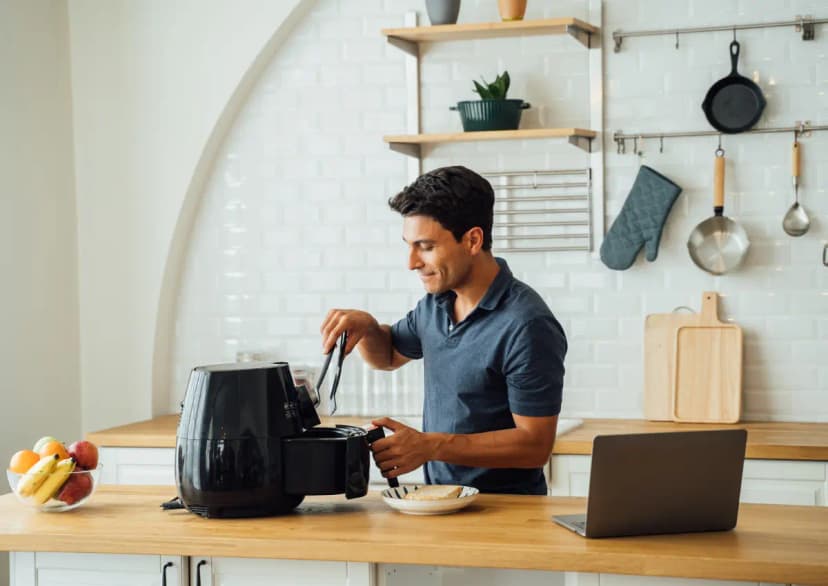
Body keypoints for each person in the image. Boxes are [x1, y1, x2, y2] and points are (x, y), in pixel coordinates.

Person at [319, 165, 567, 495]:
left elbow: (534, 446)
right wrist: (367, 328)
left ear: (473, 240)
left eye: (425, 246)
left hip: (506, 512)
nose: (411, 262)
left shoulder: (527, 325)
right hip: (441, 503)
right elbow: (389, 356)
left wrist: (431, 446)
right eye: (409, 245)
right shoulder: (435, 304)